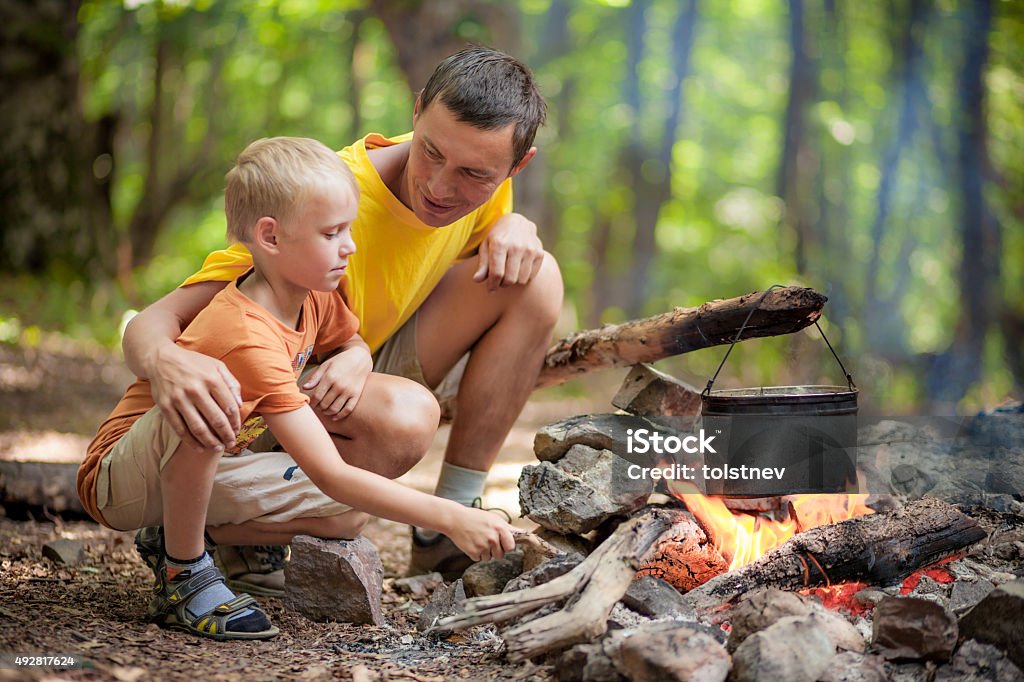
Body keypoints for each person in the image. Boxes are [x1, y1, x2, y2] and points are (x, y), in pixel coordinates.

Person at [121, 45, 564, 582]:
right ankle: (203, 525)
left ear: (517, 164)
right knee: (400, 428)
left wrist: (516, 226)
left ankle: (448, 529)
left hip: (354, 357)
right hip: (264, 395)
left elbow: (490, 231)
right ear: (417, 109)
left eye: (474, 173)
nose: (440, 186)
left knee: (537, 277)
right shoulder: (326, 196)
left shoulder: (489, 185)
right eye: (430, 152)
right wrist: (166, 362)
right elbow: (153, 320)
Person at [77, 137, 517, 641]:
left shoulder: (312, 295)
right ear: (270, 237)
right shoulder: (243, 332)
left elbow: (347, 337)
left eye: (348, 229)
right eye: (332, 233)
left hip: (213, 465)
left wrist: (357, 355)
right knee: (213, 394)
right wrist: (453, 517)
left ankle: (176, 535)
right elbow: (327, 473)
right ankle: (184, 575)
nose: (349, 246)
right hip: (125, 476)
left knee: (351, 513)